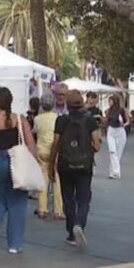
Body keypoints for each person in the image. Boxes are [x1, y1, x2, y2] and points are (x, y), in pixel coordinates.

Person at [0, 87, 37, 254]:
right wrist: (33, 163)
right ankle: (14, 244)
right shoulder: (20, 119)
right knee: (17, 203)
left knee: (0, 199)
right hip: (17, 160)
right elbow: (31, 145)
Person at [49, 90, 101, 248]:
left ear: (67, 104)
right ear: (82, 103)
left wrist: (51, 164)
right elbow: (97, 145)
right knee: (84, 199)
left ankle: (71, 234)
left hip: (65, 165)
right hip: (84, 165)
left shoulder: (61, 120)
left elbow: (55, 144)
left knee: (68, 198)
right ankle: (80, 224)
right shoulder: (90, 120)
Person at [32, 94, 64, 220]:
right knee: (56, 180)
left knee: (43, 179)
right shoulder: (58, 118)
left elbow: (35, 131)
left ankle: (42, 209)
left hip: (41, 150)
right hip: (55, 151)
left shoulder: (37, 119)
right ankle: (58, 210)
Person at [105, 95, 129, 179]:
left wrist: (124, 125)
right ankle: (116, 172)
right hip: (111, 131)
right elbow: (106, 121)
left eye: (110, 101)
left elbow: (128, 121)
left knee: (118, 153)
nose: (109, 103)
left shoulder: (122, 110)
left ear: (115, 101)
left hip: (120, 131)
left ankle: (112, 172)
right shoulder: (108, 111)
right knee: (112, 151)